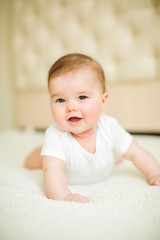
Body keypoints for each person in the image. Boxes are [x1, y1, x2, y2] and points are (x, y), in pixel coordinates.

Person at [25, 53, 160, 203]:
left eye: (82, 97)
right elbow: (53, 171)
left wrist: (155, 173)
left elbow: (136, 153)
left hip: (105, 163)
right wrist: (64, 196)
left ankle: (113, 154)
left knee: (123, 152)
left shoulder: (109, 125)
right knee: (36, 162)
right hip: (65, 161)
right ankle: (44, 153)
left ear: (103, 101)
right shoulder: (55, 134)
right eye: (60, 100)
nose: (71, 107)